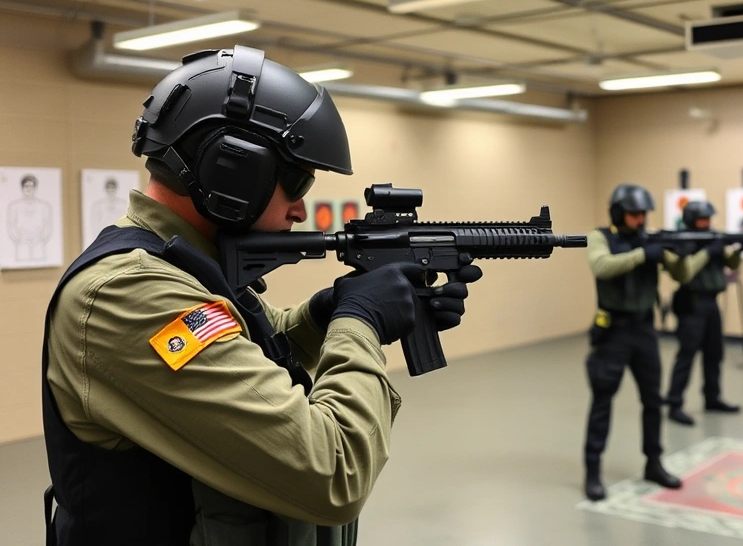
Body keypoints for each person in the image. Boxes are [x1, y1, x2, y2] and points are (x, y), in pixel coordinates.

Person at [41, 45, 481, 546]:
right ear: (234, 170)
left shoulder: (186, 265)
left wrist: (326, 313)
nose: (300, 208)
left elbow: (251, 350)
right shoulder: (129, 293)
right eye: (296, 181)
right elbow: (332, 473)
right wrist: (361, 323)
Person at [582, 184, 685, 501]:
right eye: (633, 214)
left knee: (653, 400)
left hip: (644, 330)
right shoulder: (600, 237)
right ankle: (593, 471)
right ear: (617, 213)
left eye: (643, 214)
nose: (640, 220)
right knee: (603, 402)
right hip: (613, 331)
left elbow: (681, 274)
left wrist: (679, 254)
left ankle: (653, 462)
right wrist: (643, 254)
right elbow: (601, 266)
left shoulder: (650, 237)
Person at [664, 201, 743, 427]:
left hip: (711, 303)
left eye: (708, 219)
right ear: (691, 220)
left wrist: (739, 248)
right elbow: (686, 270)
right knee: (687, 355)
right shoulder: (682, 241)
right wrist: (707, 251)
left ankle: (712, 398)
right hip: (691, 303)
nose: (707, 223)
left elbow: (731, 263)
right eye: (703, 219)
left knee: (714, 354)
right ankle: (674, 403)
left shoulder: (712, 237)